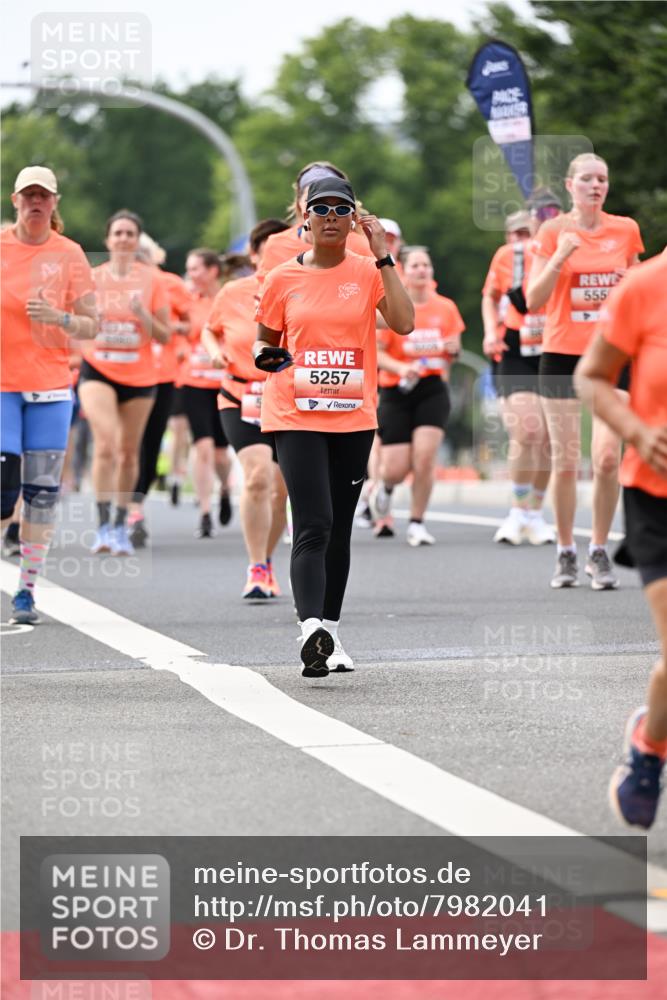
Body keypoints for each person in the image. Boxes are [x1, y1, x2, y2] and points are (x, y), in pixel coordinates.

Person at [255, 176, 414, 677]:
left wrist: (384, 255)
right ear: (304, 216)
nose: (329, 216)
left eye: (340, 209)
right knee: (314, 521)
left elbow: (404, 324)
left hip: (352, 415)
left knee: (341, 529)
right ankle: (310, 630)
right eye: (320, 208)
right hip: (294, 412)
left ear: (353, 219)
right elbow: (262, 343)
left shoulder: (369, 271)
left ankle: (332, 633)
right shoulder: (281, 277)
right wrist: (269, 358)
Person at [575, 249, 667, 828]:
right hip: (659, 491)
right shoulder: (645, 285)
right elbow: (591, 377)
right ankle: (651, 749)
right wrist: (637, 430)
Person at [527, 153, 643, 588]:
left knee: (609, 458)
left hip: (613, 356)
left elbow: (636, 292)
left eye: (602, 179)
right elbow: (533, 300)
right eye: (588, 179)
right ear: (570, 184)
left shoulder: (625, 230)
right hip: (561, 354)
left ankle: (598, 548)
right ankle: (565, 550)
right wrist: (560, 256)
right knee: (566, 460)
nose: (596, 186)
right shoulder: (553, 231)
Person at [1, 166, 97, 623]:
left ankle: (26, 590)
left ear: (54, 202)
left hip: (50, 388)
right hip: (2, 385)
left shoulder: (70, 254)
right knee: (3, 488)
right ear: (15, 201)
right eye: (28, 195)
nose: (36, 202)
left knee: (40, 493)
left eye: (44, 195)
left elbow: (91, 324)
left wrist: (59, 318)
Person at [201, 219, 290, 599]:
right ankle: (256, 567)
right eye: (265, 250)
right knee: (257, 477)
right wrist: (213, 352)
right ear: (253, 254)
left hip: (287, 399)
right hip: (240, 397)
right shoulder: (233, 292)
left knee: (280, 489)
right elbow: (209, 329)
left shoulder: (299, 289)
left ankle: (266, 561)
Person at [79, 211, 170, 556]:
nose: (123, 238)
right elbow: (75, 327)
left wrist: (141, 314)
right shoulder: (92, 278)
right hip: (98, 369)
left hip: (140, 376)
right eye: (117, 233)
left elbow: (163, 334)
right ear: (107, 240)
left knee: (130, 453)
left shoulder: (153, 281)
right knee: (106, 445)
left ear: (137, 240)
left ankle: (119, 524)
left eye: (130, 233)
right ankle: (101, 525)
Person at [481, 197, 562, 546]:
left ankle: (534, 513)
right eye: (541, 215)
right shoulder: (509, 255)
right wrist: (488, 332)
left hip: (556, 347)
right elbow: (490, 295)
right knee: (528, 430)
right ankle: (517, 510)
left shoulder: (570, 248)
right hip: (515, 348)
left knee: (549, 439)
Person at [371, 246, 464, 545]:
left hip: (432, 389)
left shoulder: (446, 308)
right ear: (404, 271)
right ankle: (385, 489)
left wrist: (453, 350)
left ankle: (416, 522)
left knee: (424, 458)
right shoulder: (394, 306)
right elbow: (378, 354)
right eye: (415, 266)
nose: (422, 270)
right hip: (396, 390)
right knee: (395, 468)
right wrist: (402, 367)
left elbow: (454, 348)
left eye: (426, 265)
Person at [128, 233, 191, 547]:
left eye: (143, 253)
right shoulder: (116, 282)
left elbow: (193, 323)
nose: (137, 258)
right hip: (123, 373)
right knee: (123, 445)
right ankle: (121, 509)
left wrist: (165, 325)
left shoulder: (169, 284)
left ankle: (135, 508)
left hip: (162, 373)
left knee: (150, 445)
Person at [180, 249, 233, 538]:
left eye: (196, 269)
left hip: (226, 384)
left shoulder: (230, 298)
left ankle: (225, 488)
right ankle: (204, 512)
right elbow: (173, 326)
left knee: (221, 455)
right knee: (202, 448)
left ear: (213, 270)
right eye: (189, 269)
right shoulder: (188, 302)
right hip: (194, 384)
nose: (191, 275)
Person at [258, 161, 374, 280]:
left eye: (337, 206)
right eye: (317, 205)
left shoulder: (360, 246)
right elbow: (267, 294)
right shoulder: (277, 245)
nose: (329, 214)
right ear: (299, 204)